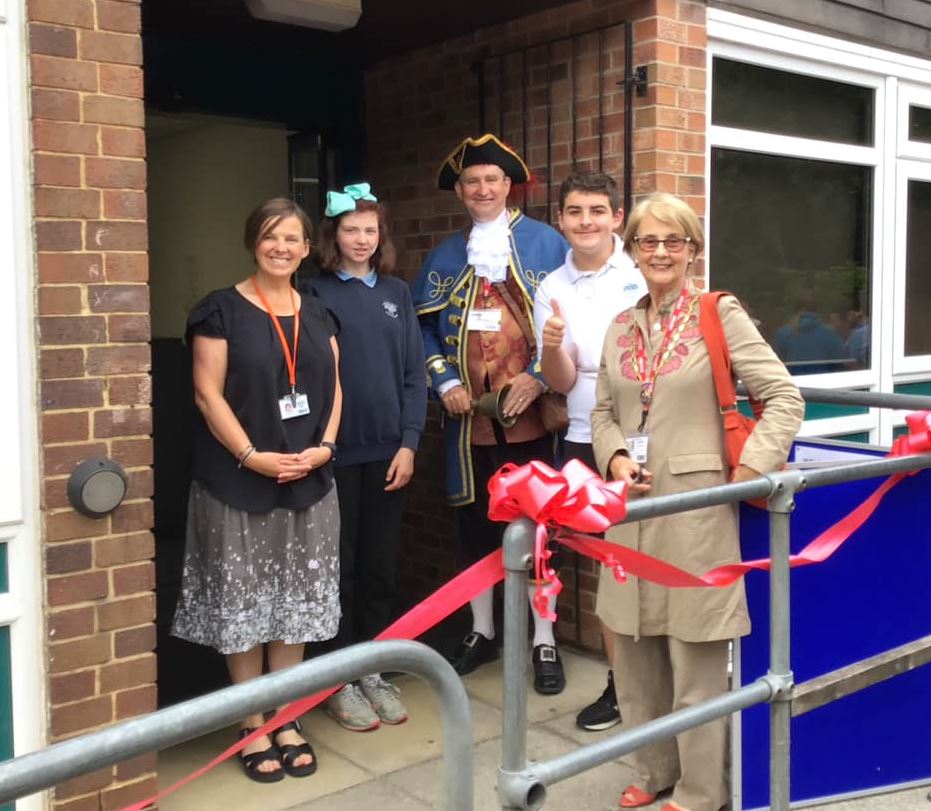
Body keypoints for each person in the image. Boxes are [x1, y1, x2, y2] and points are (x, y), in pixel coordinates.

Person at [591, 192, 804, 811]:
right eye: (647, 241)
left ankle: (701, 790)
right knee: (634, 657)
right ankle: (654, 768)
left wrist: (748, 474)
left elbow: (784, 398)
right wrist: (616, 457)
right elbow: (602, 412)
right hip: (629, 512)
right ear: (632, 250)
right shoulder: (620, 325)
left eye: (673, 241)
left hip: (697, 513)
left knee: (696, 663)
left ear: (692, 250)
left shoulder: (719, 313)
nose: (660, 252)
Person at [171, 198, 342, 783]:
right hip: (237, 481)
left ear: (307, 248)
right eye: (271, 237)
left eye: (293, 239)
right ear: (253, 242)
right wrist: (251, 456)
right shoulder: (219, 311)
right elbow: (207, 394)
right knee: (244, 604)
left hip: (308, 478)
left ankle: (286, 717)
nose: (281, 248)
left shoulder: (319, 311)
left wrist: (326, 447)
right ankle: (251, 723)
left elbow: (335, 388)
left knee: (294, 604)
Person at [412, 133, 570, 693]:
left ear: (509, 186)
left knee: (539, 532)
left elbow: (573, 325)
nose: (482, 189)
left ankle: (544, 639)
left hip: (533, 420)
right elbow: (423, 330)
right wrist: (445, 381)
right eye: (472, 181)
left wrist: (540, 377)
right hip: (469, 424)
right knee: (475, 530)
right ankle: (481, 631)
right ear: (460, 191)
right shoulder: (444, 255)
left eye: (492, 180)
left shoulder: (548, 243)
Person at [306, 183, 427, 731]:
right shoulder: (313, 292)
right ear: (333, 236)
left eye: (370, 230)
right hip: (333, 455)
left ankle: (372, 668)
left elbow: (413, 374)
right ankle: (336, 679)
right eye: (350, 229)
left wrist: (409, 442)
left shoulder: (397, 293)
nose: (361, 239)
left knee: (379, 567)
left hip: (387, 453)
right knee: (340, 569)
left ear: (382, 236)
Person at [533, 169, 647, 731]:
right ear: (560, 220)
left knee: (644, 561)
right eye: (575, 211)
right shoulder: (550, 286)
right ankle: (621, 684)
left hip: (644, 438)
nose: (586, 222)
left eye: (597, 211)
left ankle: (651, 683)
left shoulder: (642, 271)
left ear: (617, 217)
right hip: (582, 438)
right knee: (605, 568)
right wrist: (553, 348)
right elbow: (560, 379)